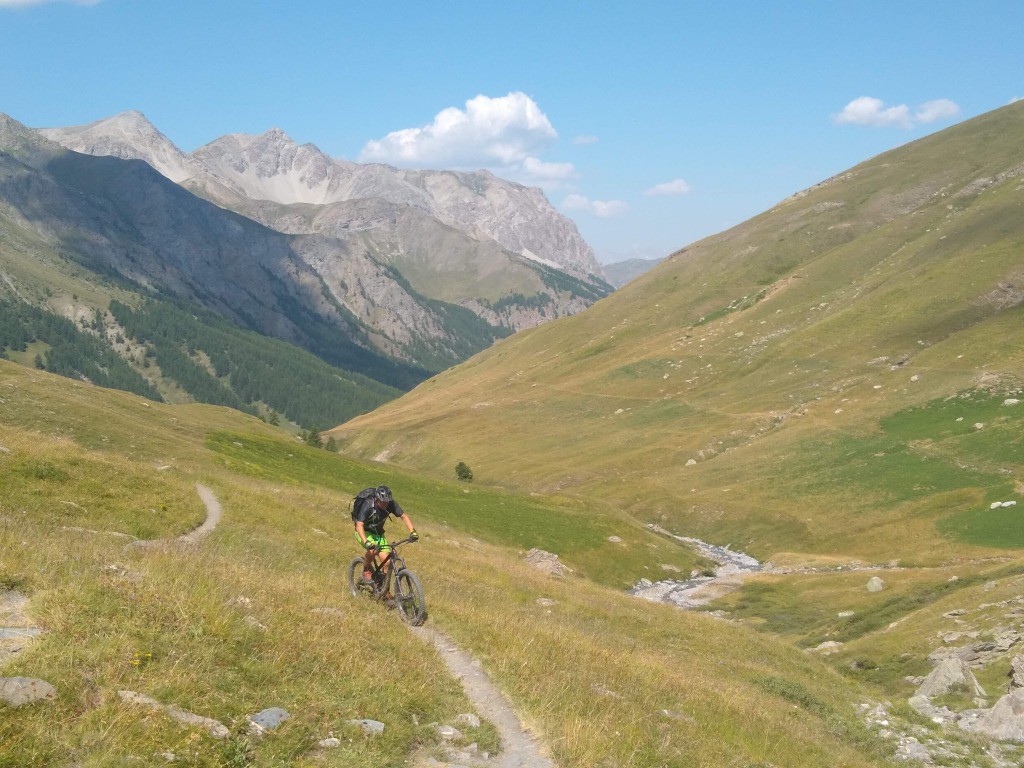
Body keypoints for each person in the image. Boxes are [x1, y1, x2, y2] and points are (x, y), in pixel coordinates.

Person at [353, 485, 418, 598]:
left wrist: (413, 531)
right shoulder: (368, 505)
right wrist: (367, 542)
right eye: (382, 502)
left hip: (378, 534)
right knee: (373, 550)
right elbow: (359, 525)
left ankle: (382, 589)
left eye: (386, 502)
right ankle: (366, 569)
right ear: (377, 499)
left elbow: (404, 516)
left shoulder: (391, 503)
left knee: (387, 563)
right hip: (364, 532)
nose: (385, 504)